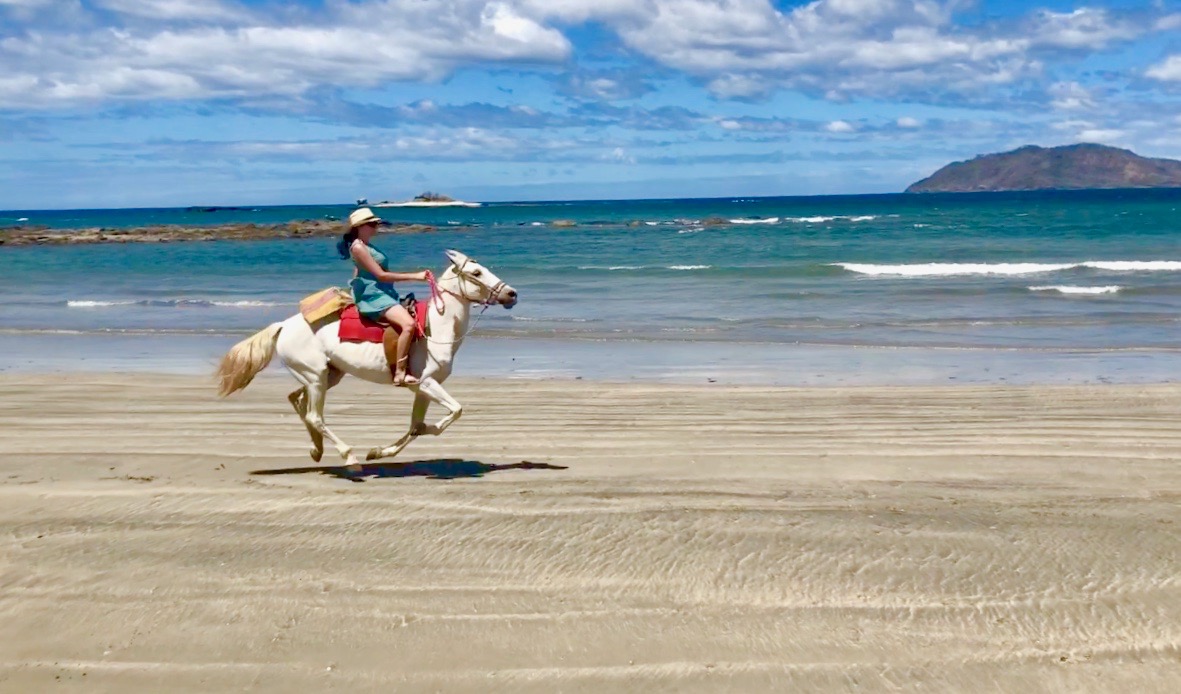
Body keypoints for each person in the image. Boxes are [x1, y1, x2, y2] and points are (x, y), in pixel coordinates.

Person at [337, 207, 429, 386]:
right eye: (372, 224)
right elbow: (381, 275)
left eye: (376, 223)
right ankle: (400, 371)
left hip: (383, 292)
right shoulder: (358, 247)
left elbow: (359, 270)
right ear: (360, 226)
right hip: (374, 295)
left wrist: (354, 287)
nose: (376, 226)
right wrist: (415, 276)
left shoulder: (366, 245)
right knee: (408, 325)